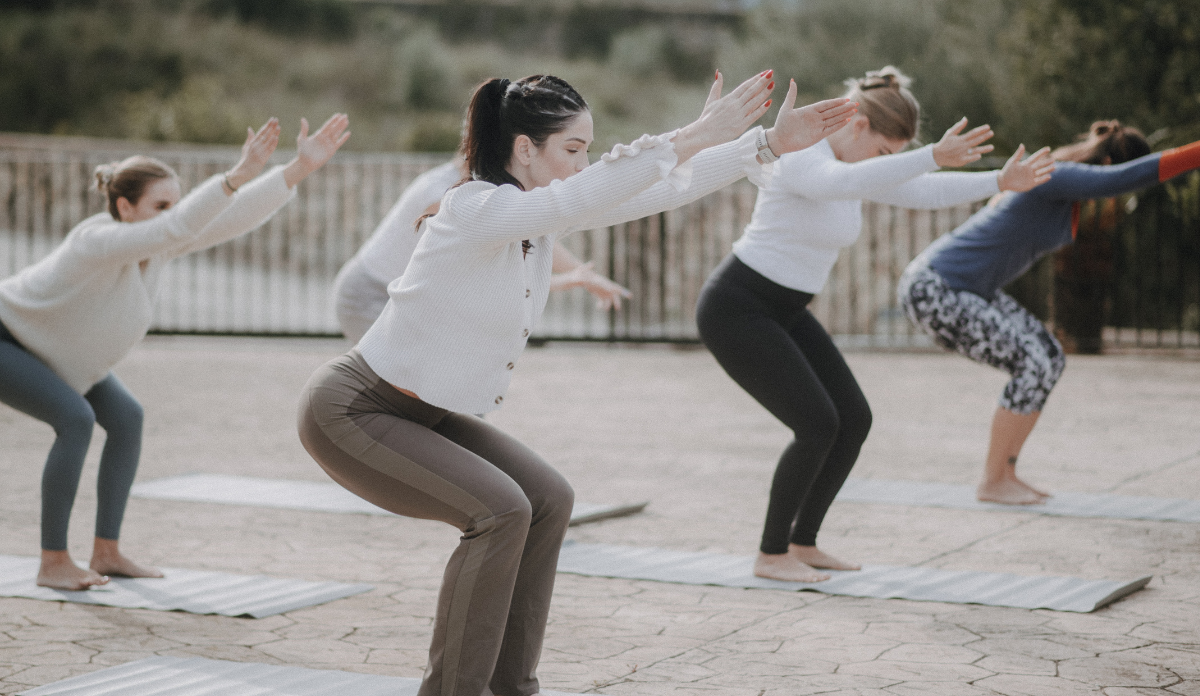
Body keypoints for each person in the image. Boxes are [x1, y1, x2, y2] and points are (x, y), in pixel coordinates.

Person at [297, 70, 857, 696]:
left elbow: (657, 191)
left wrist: (765, 144)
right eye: (573, 148)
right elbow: (580, 197)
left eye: (588, 149)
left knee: (548, 499)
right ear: (524, 148)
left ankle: (514, 688)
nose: (584, 164)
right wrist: (696, 133)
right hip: (353, 411)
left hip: (418, 415)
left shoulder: (534, 219)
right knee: (500, 511)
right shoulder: (474, 206)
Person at [694, 67, 1056, 584]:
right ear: (858, 125)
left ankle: (803, 543)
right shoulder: (802, 152)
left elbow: (920, 190)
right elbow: (843, 183)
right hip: (738, 308)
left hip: (785, 310)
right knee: (817, 425)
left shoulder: (854, 165)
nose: (883, 165)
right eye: (884, 152)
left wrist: (999, 181)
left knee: (853, 419)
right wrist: (931, 155)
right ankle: (771, 554)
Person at [0, 114, 351, 591]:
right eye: (161, 205)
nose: (173, 214)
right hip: (9, 339)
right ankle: (53, 561)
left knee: (127, 418)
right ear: (124, 207)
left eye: (176, 204)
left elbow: (227, 220)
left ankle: (106, 552)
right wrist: (234, 176)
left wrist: (297, 169)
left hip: (57, 354)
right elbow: (181, 226)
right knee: (76, 420)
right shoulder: (95, 241)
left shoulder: (158, 247)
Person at [899, 120, 1200, 505]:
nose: (1118, 196)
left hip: (966, 288)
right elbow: (1123, 178)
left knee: (1049, 357)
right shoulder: (1058, 174)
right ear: (1107, 164)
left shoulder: (1054, 181)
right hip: (935, 286)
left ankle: (1006, 474)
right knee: (1033, 363)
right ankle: (992, 481)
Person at [334, 157, 630, 344]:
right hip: (369, 297)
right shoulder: (446, 198)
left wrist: (581, 274)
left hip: (402, 299)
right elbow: (493, 278)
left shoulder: (467, 188)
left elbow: (532, 236)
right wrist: (573, 279)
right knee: (435, 385)